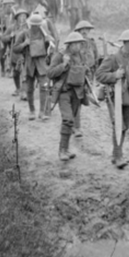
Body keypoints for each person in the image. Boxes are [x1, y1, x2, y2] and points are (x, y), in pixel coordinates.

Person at [95, 29, 129, 169]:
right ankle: (118, 156)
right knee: (119, 126)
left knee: (125, 127)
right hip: (115, 96)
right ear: (126, 42)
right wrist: (114, 75)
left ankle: (116, 155)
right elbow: (99, 75)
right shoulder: (113, 58)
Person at [46, 32, 91, 161]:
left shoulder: (81, 56)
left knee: (71, 123)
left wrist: (86, 72)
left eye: (80, 43)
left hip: (77, 93)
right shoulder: (60, 56)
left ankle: (66, 149)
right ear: (70, 45)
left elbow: (86, 71)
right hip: (64, 92)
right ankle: (62, 151)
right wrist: (64, 65)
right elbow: (50, 73)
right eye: (76, 44)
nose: (79, 46)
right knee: (68, 119)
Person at [12, 13, 57, 120]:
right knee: (29, 88)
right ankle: (32, 111)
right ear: (30, 25)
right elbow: (15, 48)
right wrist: (25, 44)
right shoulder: (24, 34)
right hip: (29, 65)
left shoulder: (45, 34)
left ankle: (42, 112)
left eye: (37, 25)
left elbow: (53, 48)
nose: (35, 27)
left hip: (42, 65)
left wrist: (49, 43)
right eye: (33, 25)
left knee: (44, 88)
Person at [70, 20, 99, 137]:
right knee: (76, 99)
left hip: (88, 74)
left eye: (87, 29)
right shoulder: (74, 43)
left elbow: (96, 58)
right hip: (76, 74)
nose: (85, 31)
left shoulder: (92, 43)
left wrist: (94, 75)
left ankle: (74, 124)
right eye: (82, 30)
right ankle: (75, 126)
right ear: (78, 31)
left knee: (81, 99)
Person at [3, 7, 29, 98]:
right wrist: (10, 37)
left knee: (24, 73)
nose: (23, 18)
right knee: (15, 73)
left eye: (24, 16)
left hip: (25, 54)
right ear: (17, 18)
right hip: (15, 54)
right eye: (20, 16)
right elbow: (3, 38)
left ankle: (24, 92)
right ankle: (18, 88)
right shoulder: (12, 28)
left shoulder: (29, 27)